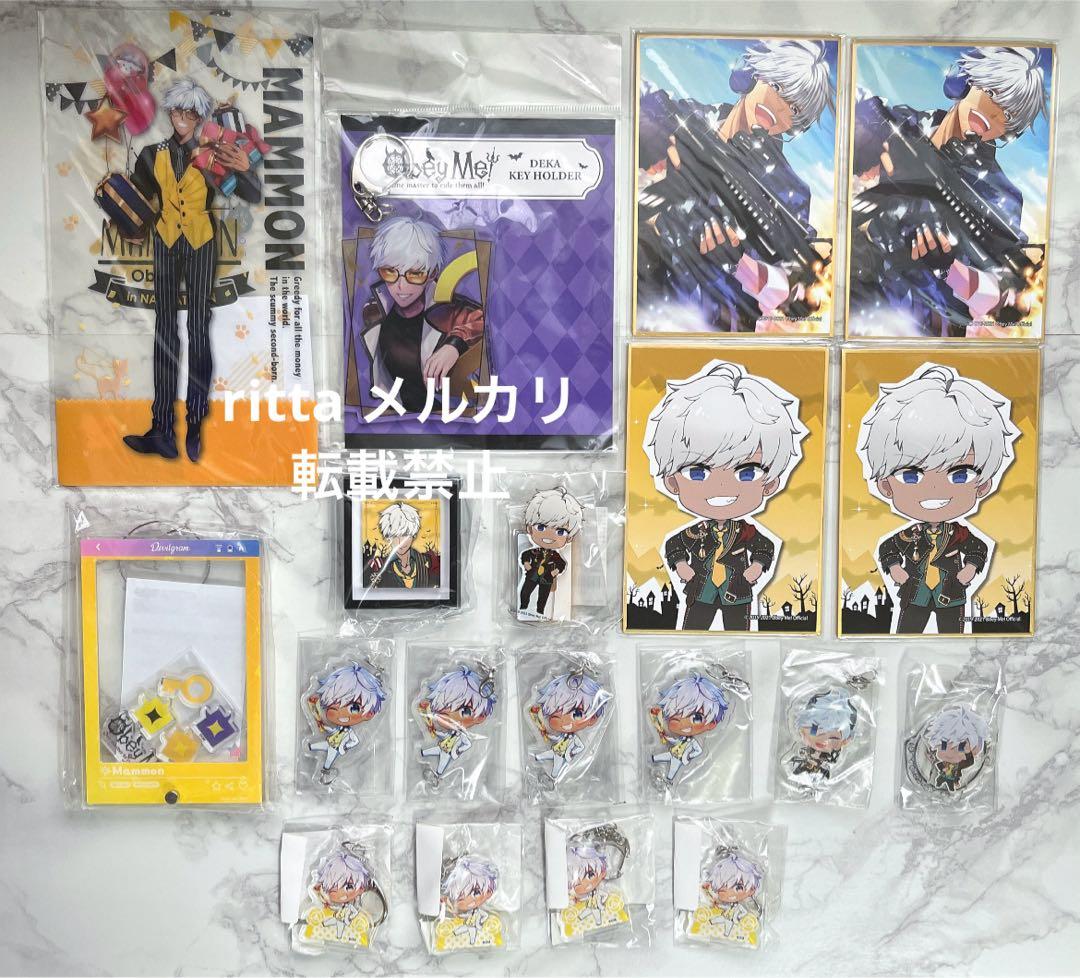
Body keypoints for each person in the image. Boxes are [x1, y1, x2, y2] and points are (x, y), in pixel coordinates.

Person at [850, 46, 1049, 336]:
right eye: (992, 93)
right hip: (857, 302)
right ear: (964, 83)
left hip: (915, 328)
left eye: (1008, 114)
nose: (993, 113)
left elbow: (1003, 305)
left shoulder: (998, 196)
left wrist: (947, 269)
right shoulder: (902, 124)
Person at [125, 78, 261, 462]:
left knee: (199, 328)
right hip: (165, 242)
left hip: (201, 242)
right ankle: (162, 430)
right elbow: (135, 200)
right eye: (177, 111)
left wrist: (245, 168)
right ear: (170, 112)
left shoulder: (213, 157)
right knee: (164, 330)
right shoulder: (151, 155)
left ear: (200, 116)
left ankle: (196, 420)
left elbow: (252, 193)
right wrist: (125, 213)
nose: (183, 118)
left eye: (190, 112)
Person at [646, 360, 806, 630]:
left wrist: (756, 567)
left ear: (770, 484)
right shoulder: (695, 532)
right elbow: (674, 544)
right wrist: (681, 565)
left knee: (740, 637)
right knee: (692, 634)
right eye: (698, 472)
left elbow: (765, 547)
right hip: (701, 593)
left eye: (747, 472)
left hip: (737, 593)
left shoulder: (747, 531)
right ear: (672, 481)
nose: (722, 486)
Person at [859, 364, 1018, 634]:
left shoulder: (960, 534)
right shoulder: (910, 534)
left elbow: (978, 548)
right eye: (911, 475)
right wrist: (896, 569)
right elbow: (888, 547)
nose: (934, 487)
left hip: (950, 595)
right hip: (915, 595)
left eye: (960, 475)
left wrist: (969, 569)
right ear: (886, 485)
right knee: (905, 637)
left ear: (983, 485)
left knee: (953, 642)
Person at [359, 216, 484, 413]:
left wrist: (453, 346)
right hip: (396, 415)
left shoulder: (444, 309)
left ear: (432, 273)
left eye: (415, 274)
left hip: (444, 415)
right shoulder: (374, 310)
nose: (401, 286)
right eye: (390, 272)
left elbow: (483, 319)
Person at [518, 487, 584, 617]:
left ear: (569, 538)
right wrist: (526, 563)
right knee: (525, 593)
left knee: (543, 598)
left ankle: (540, 613)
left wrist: (556, 571)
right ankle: (523, 607)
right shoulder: (534, 551)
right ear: (530, 529)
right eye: (541, 527)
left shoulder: (556, 555)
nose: (549, 535)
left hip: (547, 579)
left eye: (560, 531)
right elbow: (525, 555)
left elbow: (562, 564)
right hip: (532, 575)